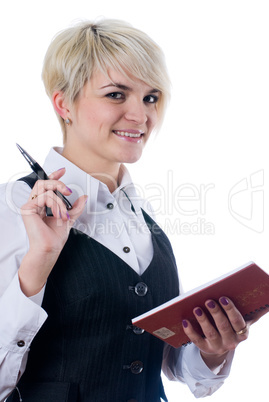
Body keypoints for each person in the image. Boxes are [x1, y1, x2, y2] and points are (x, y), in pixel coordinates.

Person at [0, 19, 267, 402]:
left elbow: (169, 362)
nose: (140, 116)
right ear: (64, 104)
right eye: (115, 95)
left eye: (151, 97)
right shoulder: (9, 209)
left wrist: (212, 349)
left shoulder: (145, 220)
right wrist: (38, 263)